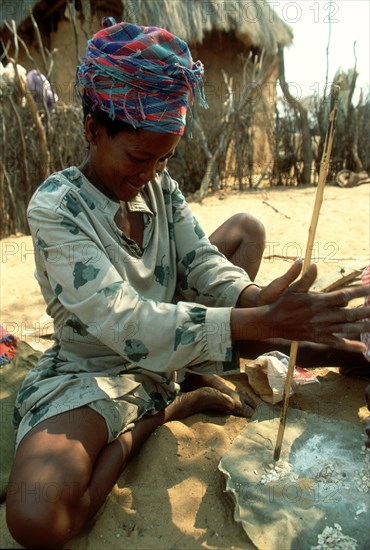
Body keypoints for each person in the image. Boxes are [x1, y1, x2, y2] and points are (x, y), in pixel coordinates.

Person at [6, 19, 370, 548]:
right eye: (138, 156)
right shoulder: (57, 208)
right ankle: (166, 408)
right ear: (93, 128)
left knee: (248, 240)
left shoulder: (160, 187)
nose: (152, 173)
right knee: (37, 519)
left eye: (164, 159)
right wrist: (257, 320)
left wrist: (255, 299)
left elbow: (201, 262)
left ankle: (344, 345)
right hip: (99, 369)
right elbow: (123, 320)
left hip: (175, 335)